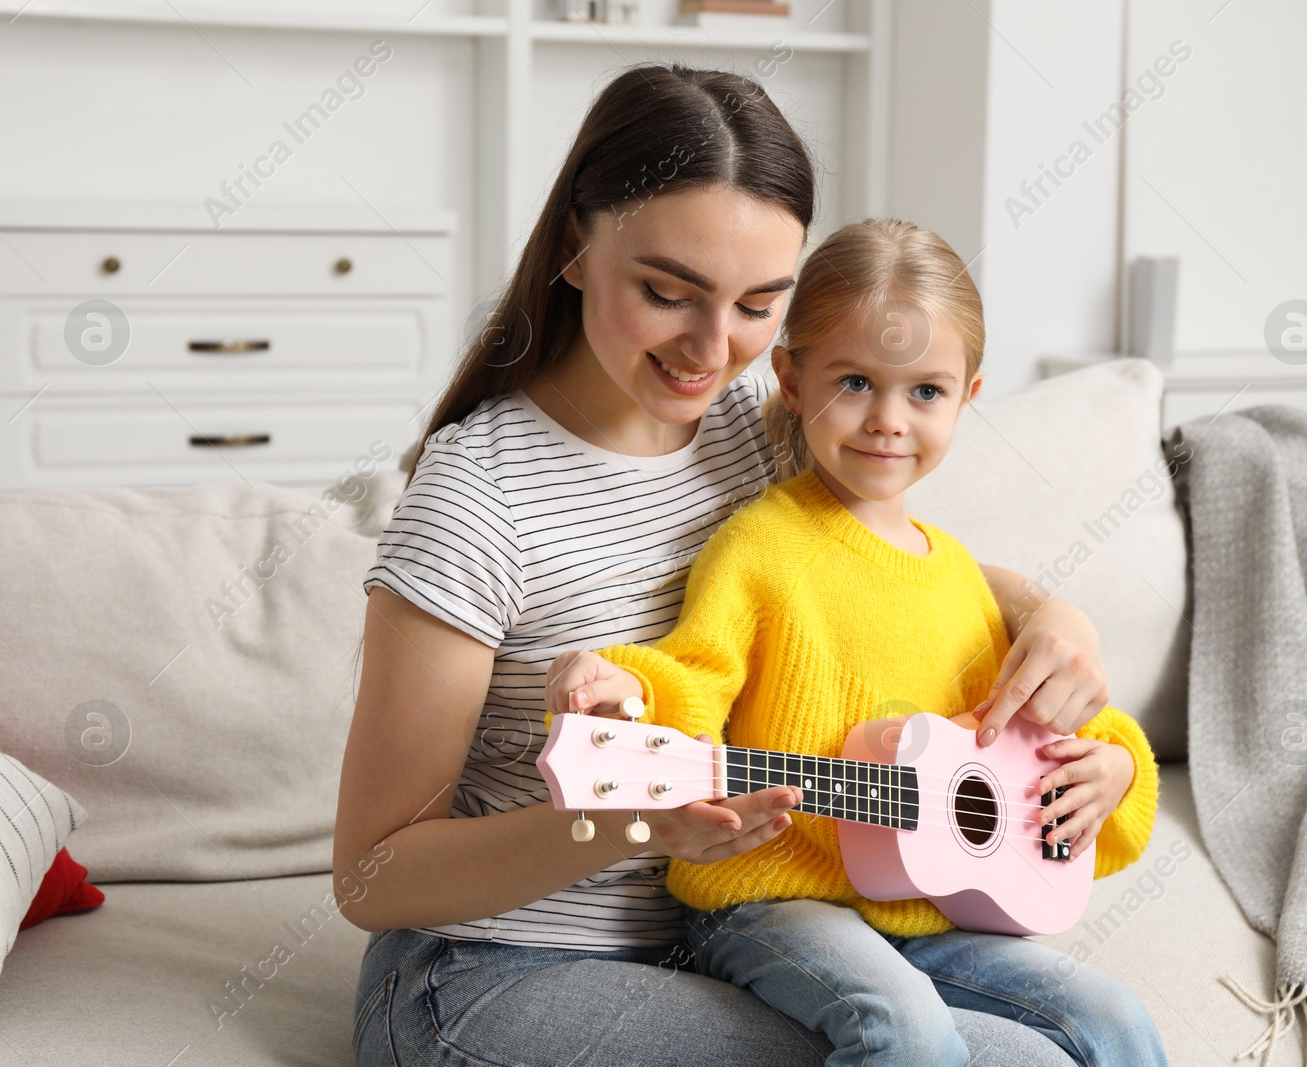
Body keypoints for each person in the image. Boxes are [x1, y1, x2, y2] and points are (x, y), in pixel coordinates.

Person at [336, 62, 1126, 1067]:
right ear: (576, 245)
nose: (712, 350)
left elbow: (912, 568)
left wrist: (1061, 617)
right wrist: (624, 827)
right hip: (490, 972)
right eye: (669, 293)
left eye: (759, 305)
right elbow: (371, 877)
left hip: (726, 935)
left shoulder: (751, 437)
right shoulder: (474, 495)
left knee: (1083, 1034)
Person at [543, 218, 1167, 1067]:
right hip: (772, 899)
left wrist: (1118, 767)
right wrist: (626, 694)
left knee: (1114, 1018)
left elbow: (1028, 741)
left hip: (933, 910)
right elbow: (693, 675)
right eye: (857, 382)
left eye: (925, 392)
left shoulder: (957, 576)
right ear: (794, 379)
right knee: (903, 1032)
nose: (887, 420)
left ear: (968, 396)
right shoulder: (760, 546)